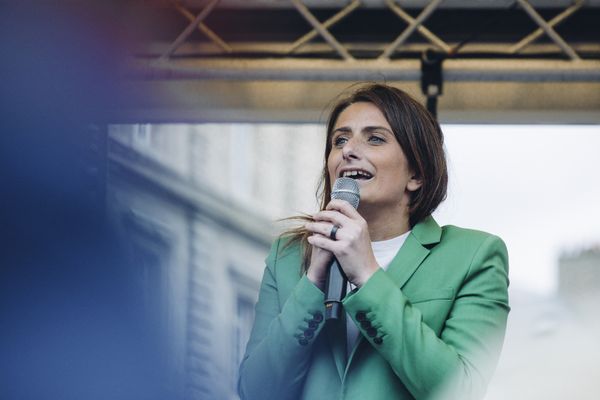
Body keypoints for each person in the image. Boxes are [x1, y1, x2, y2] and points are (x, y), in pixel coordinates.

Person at [238, 83, 509, 400]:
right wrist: (313, 283)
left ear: (416, 174)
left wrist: (368, 276)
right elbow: (255, 391)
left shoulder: (474, 256)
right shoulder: (287, 256)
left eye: (375, 138)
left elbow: (461, 392)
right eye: (340, 140)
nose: (348, 150)